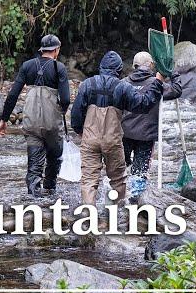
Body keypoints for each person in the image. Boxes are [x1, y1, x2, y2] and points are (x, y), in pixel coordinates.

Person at [70, 50, 165, 205]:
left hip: (90, 139)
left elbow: (76, 114)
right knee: (118, 178)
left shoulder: (87, 84)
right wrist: (158, 82)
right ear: (119, 70)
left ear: (101, 67)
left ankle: (88, 214)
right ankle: (117, 213)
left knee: (88, 179)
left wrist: (80, 131)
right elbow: (143, 104)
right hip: (112, 140)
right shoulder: (123, 87)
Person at [0, 34, 70, 197]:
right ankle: (50, 191)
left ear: (42, 50)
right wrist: (61, 111)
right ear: (56, 50)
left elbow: (13, 95)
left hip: (31, 122)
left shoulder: (27, 66)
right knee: (54, 158)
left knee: (34, 165)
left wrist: (4, 119)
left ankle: (33, 198)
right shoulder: (60, 68)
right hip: (52, 123)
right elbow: (65, 99)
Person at [121, 51, 182, 199]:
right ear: (151, 66)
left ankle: (117, 197)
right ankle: (136, 200)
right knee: (140, 170)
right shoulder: (157, 84)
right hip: (145, 135)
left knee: (120, 167)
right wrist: (171, 71)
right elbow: (177, 90)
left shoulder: (123, 83)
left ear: (134, 66)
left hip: (124, 133)